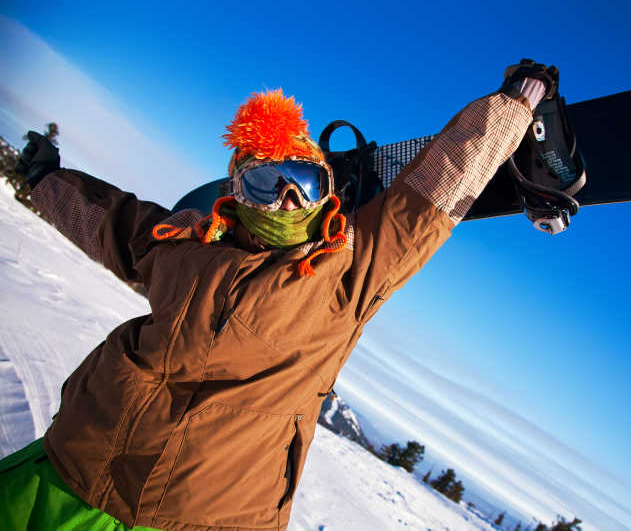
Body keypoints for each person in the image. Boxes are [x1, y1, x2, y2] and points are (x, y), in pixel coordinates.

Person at [1, 62, 558, 530]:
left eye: (306, 183)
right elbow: (112, 223)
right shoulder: (185, 244)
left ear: (325, 193)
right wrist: (46, 178)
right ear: (236, 191)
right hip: (67, 468)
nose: (290, 200)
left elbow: (427, 198)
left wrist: (509, 110)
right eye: (269, 184)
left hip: (195, 517)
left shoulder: (345, 273)